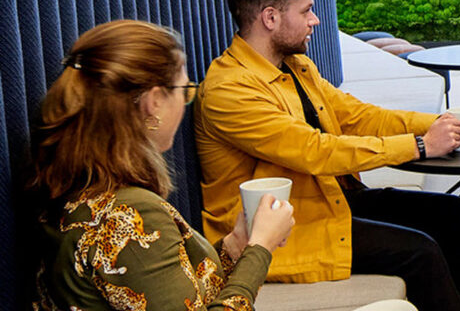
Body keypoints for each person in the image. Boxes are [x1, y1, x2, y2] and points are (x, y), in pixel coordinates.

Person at [195, 0, 460, 311]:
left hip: (325, 201)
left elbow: (356, 116)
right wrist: (421, 145)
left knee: (455, 216)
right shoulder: (229, 90)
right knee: (420, 252)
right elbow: (315, 151)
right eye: (306, 11)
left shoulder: (296, 66)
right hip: (281, 232)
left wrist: (438, 123)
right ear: (270, 17)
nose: (315, 20)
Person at [31, 19, 296, 311]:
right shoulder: (129, 214)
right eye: (184, 91)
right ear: (154, 101)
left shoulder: (81, 189)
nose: (184, 103)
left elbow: (168, 285)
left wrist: (237, 245)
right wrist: (260, 250)